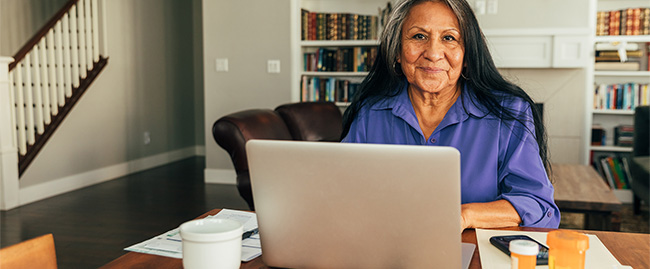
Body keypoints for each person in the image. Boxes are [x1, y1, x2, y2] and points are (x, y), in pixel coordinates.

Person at [341, 0, 560, 230]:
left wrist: (465, 215)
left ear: (466, 55)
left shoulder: (509, 114)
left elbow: (539, 206)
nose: (434, 53)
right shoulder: (370, 113)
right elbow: (339, 194)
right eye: (418, 36)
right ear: (396, 51)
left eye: (449, 38)